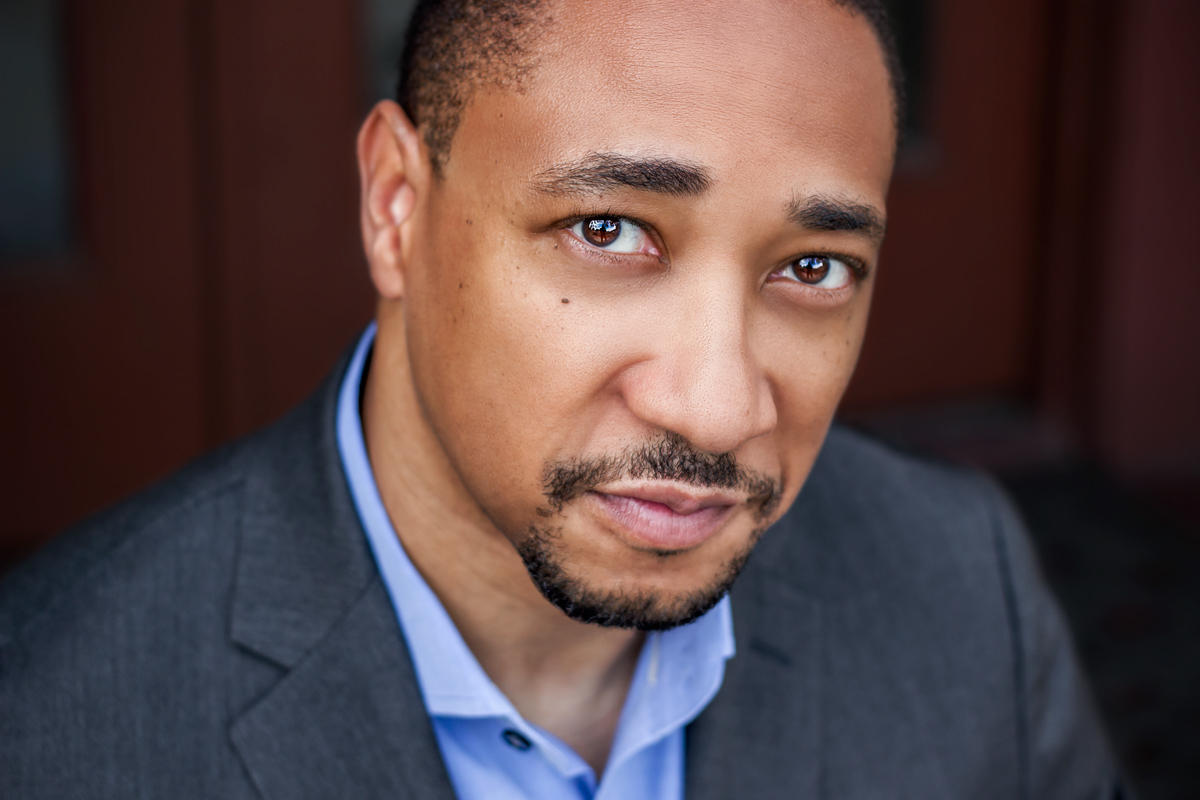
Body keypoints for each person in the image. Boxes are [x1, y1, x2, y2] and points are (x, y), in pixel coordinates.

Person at [0, 0, 1126, 797]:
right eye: (609, 231)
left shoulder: (961, 586)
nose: (718, 405)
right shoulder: (49, 722)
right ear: (396, 206)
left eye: (811, 266)